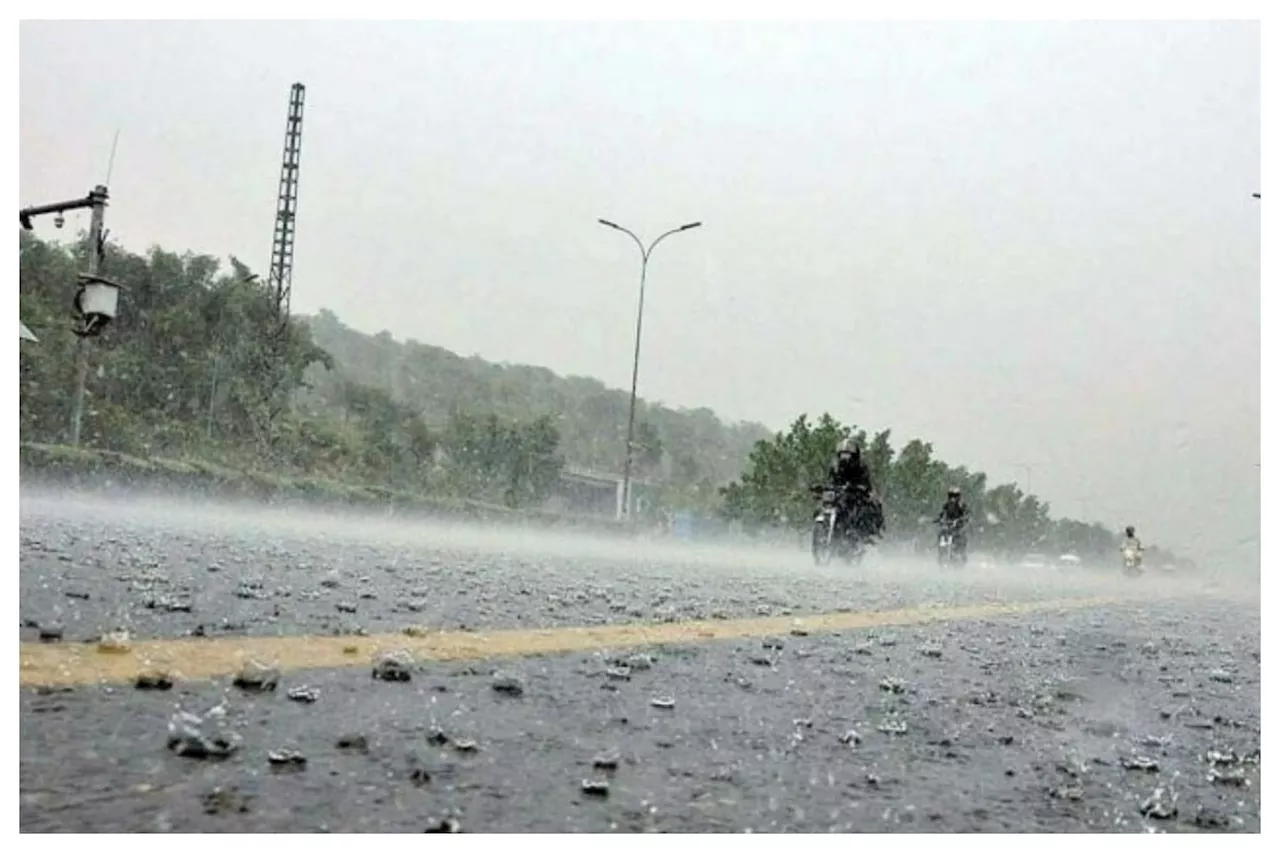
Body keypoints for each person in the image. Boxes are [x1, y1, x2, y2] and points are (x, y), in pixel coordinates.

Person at [826, 439, 882, 538]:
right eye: (842, 454)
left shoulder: (861, 466)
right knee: (825, 503)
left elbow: (866, 483)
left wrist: (858, 487)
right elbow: (830, 480)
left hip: (856, 495)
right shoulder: (835, 467)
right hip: (839, 494)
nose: (844, 457)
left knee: (864, 508)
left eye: (847, 454)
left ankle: (858, 532)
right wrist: (823, 487)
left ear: (854, 455)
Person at [936, 487, 970, 552]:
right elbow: (942, 513)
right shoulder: (946, 505)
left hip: (959, 526)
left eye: (955, 496)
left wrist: (963, 519)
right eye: (951, 495)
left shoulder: (962, 505)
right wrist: (939, 519)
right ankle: (941, 551)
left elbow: (967, 513)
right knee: (941, 533)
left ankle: (961, 552)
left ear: (958, 496)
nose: (953, 498)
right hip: (948, 525)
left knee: (962, 535)